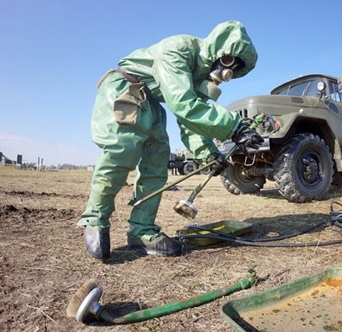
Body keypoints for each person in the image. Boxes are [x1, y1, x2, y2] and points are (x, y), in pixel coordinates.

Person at [77, 21, 263, 261]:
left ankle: (141, 231)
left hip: (152, 102)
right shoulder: (178, 50)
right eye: (228, 61)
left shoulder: (201, 75)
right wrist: (235, 127)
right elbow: (183, 105)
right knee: (123, 149)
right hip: (125, 87)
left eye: (235, 68)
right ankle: (95, 219)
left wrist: (207, 154)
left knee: (157, 162)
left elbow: (192, 120)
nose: (227, 71)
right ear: (218, 50)